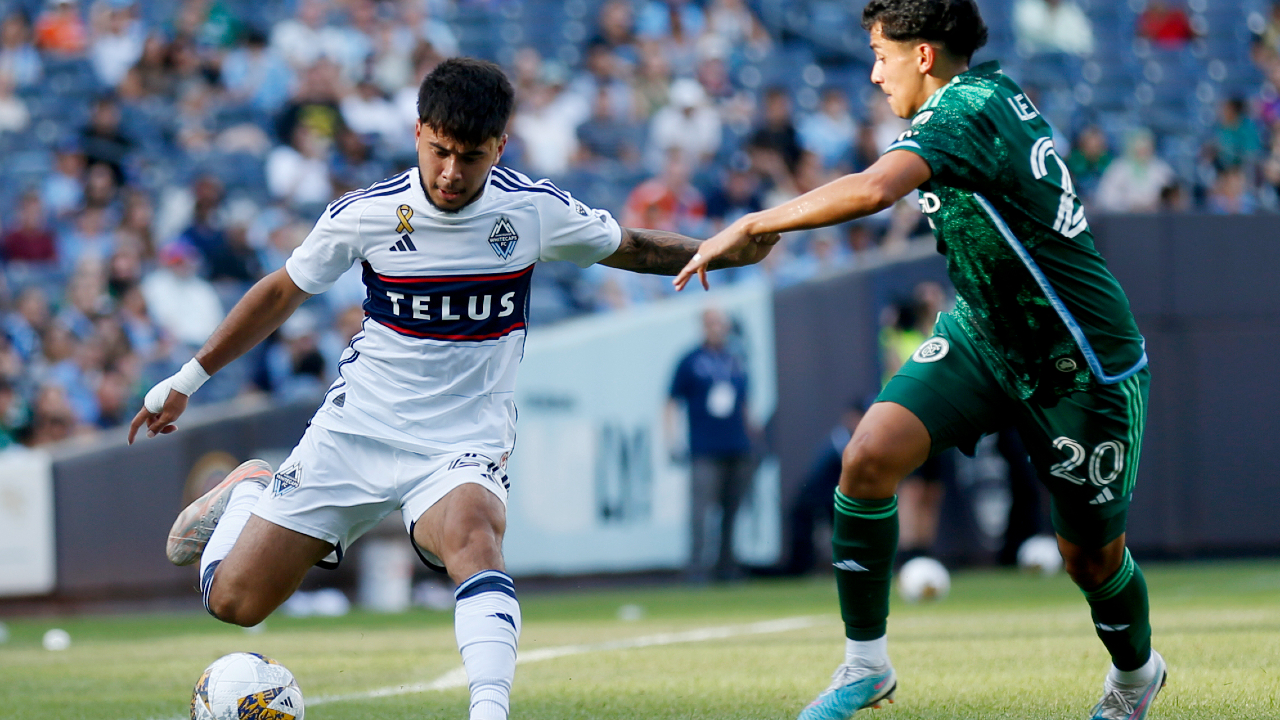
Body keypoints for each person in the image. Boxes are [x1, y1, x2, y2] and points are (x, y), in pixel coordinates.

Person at [128, 58, 776, 720]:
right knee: (234, 603)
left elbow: (635, 246)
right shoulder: (370, 214)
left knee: (474, 534)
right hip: (357, 432)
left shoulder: (531, 212)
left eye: (469, 157)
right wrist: (186, 379)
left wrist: (726, 244)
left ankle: (488, 711)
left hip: (461, 441)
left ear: (500, 145)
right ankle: (247, 494)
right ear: (417, 134)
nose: (449, 173)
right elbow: (280, 292)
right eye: (439, 151)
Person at [677, 2, 1163, 719]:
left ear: (924, 55)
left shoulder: (964, 110)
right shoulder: (982, 97)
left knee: (1089, 559)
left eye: (881, 54)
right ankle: (865, 667)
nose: (874, 73)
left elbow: (876, 188)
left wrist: (756, 220)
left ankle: (1136, 673)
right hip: (987, 336)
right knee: (868, 456)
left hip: (1081, 362)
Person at [667, 307, 753, 583]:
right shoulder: (690, 361)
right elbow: (671, 402)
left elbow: (744, 404)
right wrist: (671, 439)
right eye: (711, 323)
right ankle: (696, 569)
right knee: (701, 511)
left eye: (720, 323)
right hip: (705, 447)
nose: (717, 328)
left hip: (736, 445)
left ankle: (726, 567)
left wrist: (754, 437)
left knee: (732, 509)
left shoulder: (735, 360)